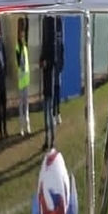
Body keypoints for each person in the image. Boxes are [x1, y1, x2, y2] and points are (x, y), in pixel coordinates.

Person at [40, 15, 57, 150]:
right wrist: (42, 62)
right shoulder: (45, 44)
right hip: (45, 83)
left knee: (49, 113)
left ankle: (52, 140)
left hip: (49, 83)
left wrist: (47, 63)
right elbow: (41, 59)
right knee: (45, 113)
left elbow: (54, 62)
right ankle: (47, 139)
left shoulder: (52, 44)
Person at [16, 20, 32, 136]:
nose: (23, 36)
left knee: (26, 103)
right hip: (21, 78)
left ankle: (27, 125)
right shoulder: (18, 47)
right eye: (21, 35)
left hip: (26, 78)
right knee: (21, 103)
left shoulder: (25, 46)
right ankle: (21, 126)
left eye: (23, 35)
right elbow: (18, 62)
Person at [53, 16, 64, 124]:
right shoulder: (53, 40)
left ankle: (58, 113)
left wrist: (61, 67)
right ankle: (54, 114)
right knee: (54, 93)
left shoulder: (60, 41)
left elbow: (62, 54)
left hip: (57, 71)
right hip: (53, 72)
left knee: (57, 93)